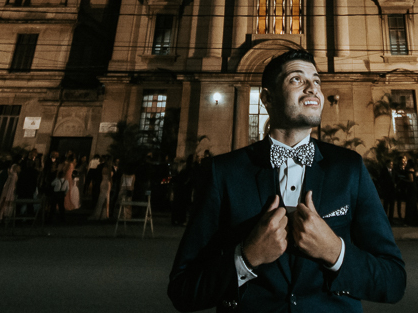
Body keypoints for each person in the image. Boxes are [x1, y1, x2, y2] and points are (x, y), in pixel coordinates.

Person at [168, 49, 405, 312]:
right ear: (267, 99)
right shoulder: (223, 171)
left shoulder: (349, 167)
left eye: (316, 81)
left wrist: (334, 252)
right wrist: (246, 258)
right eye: (296, 79)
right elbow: (183, 290)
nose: (312, 89)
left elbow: (393, 281)